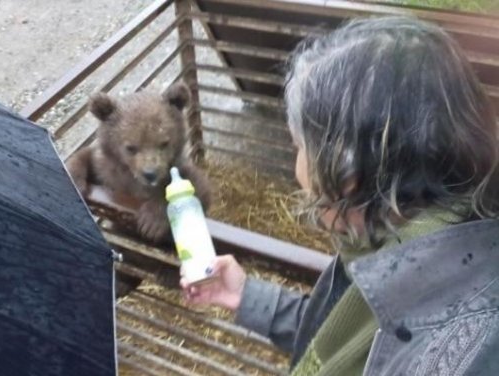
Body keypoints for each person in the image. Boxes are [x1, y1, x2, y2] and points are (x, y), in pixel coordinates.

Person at [181, 16, 499, 376]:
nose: (295, 161)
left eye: (298, 144)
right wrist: (247, 296)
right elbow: (352, 337)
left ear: (347, 172)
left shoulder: (462, 354)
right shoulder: (396, 239)